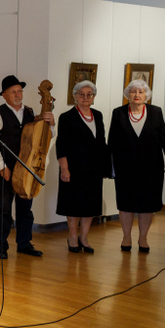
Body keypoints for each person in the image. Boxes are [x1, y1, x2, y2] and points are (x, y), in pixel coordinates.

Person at [0, 75, 54, 259]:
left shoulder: (30, 112)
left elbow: (43, 138)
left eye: (19, 91)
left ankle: (24, 243)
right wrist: (2, 167)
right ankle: (1, 246)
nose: (18, 95)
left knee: (25, 209)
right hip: (7, 167)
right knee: (4, 209)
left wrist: (50, 125)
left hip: (28, 168)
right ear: (4, 95)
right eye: (13, 92)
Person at [108, 79, 165, 253]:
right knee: (126, 203)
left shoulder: (155, 112)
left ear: (146, 95)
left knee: (148, 204)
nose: (137, 95)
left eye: (141, 92)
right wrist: (109, 165)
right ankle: (126, 237)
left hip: (151, 166)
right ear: (127, 95)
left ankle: (143, 237)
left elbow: (164, 136)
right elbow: (112, 140)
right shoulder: (119, 113)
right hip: (125, 166)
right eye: (133, 91)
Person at [55, 80, 110, 254]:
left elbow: (102, 143)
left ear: (93, 97)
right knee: (73, 204)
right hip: (73, 169)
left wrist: (105, 167)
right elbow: (61, 145)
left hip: (94, 169)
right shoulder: (67, 117)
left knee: (90, 205)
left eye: (89, 95)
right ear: (75, 96)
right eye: (81, 94)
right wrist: (64, 168)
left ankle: (84, 237)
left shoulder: (98, 115)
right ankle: (72, 236)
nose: (85, 98)